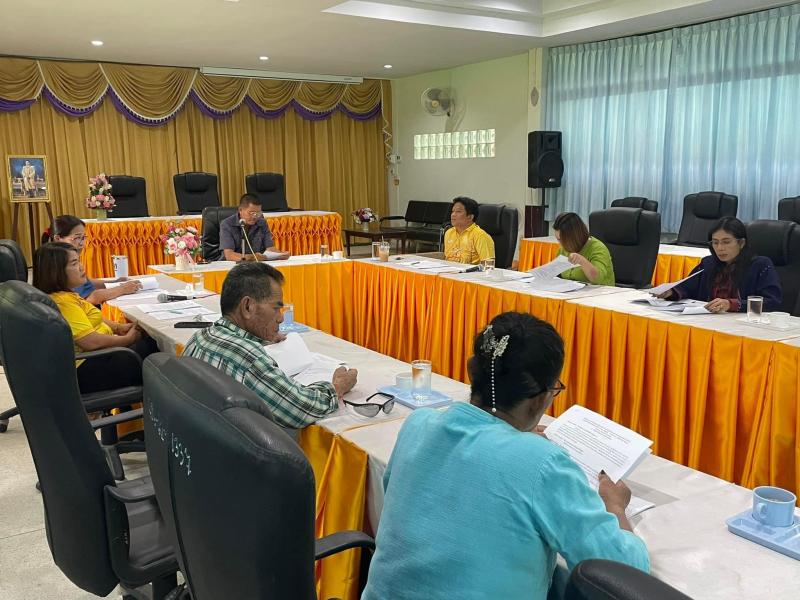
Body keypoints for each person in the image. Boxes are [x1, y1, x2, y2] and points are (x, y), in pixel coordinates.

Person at [362, 312, 649, 600]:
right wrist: (615, 506)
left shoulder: (417, 424)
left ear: (471, 371)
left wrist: (511, 438)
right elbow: (622, 572)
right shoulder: (543, 463)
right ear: (541, 398)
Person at [183, 262, 357, 429]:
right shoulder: (249, 358)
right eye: (276, 308)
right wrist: (337, 387)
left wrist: (261, 339)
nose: (280, 318)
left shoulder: (199, 337)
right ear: (248, 307)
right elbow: (301, 408)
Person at [32, 242, 157, 393]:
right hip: (87, 367)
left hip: (96, 357)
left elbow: (89, 316)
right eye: (74, 263)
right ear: (55, 271)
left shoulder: (67, 294)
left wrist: (118, 328)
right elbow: (90, 342)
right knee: (155, 350)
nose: (81, 267)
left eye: (79, 261)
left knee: (149, 341)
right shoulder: (64, 302)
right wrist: (126, 340)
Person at [660, 217, 782, 313]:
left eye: (726, 242)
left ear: (741, 243)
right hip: (709, 322)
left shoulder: (760, 265)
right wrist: (670, 292)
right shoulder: (708, 263)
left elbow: (772, 302)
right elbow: (687, 288)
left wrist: (731, 304)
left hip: (744, 326)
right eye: (715, 242)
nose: (720, 248)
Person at [43, 214, 141, 304]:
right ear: (57, 238)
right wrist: (122, 289)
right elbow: (90, 298)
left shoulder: (65, 255)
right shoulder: (58, 262)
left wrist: (115, 282)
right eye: (77, 238)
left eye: (83, 237)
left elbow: (86, 283)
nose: (82, 243)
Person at [220, 194, 290, 261]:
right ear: (240, 210)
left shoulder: (262, 223)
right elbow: (229, 255)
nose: (255, 217)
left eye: (258, 213)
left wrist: (279, 254)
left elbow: (270, 249)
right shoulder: (227, 224)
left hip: (257, 263)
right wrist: (253, 257)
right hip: (231, 265)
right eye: (252, 213)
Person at [552, 212, 615, 285]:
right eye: (558, 239)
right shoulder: (563, 249)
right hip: (572, 290)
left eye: (562, 239)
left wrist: (582, 261)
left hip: (601, 291)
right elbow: (556, 274)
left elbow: (598, 279)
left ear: (574, 236)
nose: (560, 243)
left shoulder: (598, 248)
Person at [443, 196, 495, 265]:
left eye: (458, 211)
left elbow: (488, 265)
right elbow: (446, 258)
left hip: (470, 271)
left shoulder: (481, 236)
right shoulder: (449, 233)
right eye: (452, 211)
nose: (453, 215)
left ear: (470, 217)